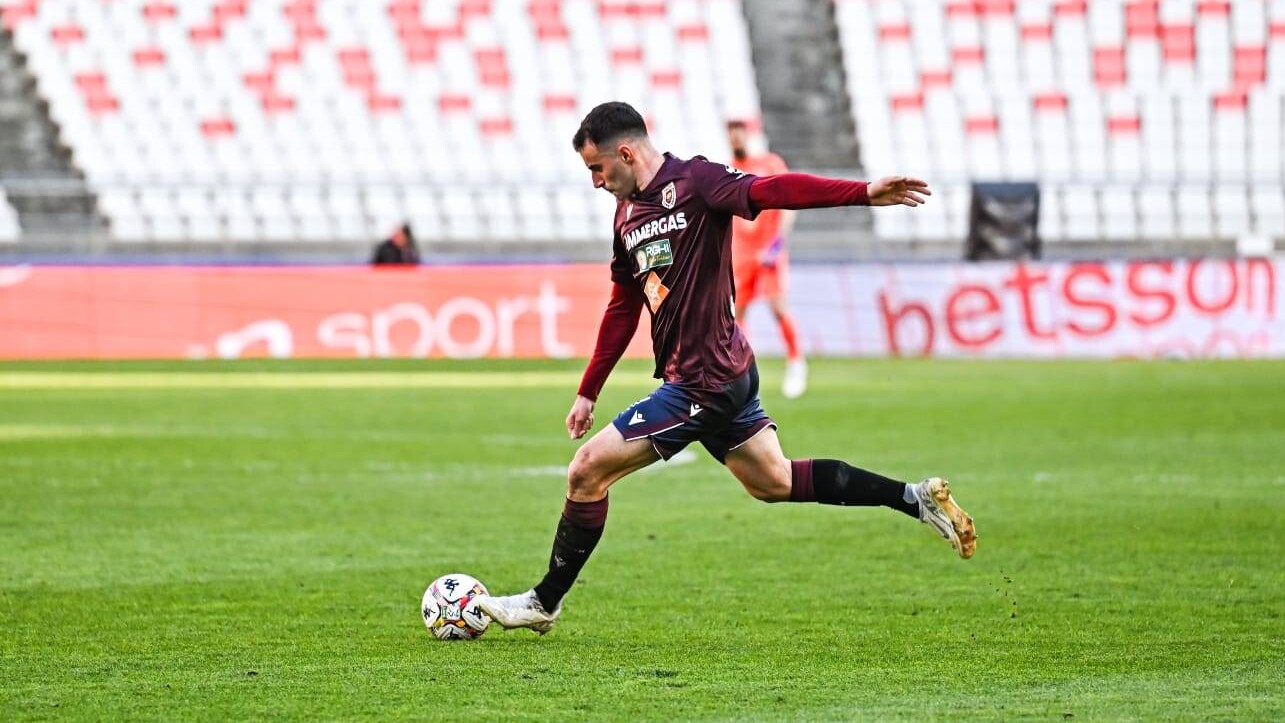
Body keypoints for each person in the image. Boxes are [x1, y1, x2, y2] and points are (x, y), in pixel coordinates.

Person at [477, 102, 975, 634]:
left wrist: (864, 192)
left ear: (624, 153)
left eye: (597, 168)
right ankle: (914, 498)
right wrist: (588, 390)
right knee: (774, 481)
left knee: (586, 471)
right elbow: (623, 307)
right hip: (718, 374)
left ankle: (543, 601)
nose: (596, 181)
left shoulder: (697, 182)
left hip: (705, 381)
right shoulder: (625, 216)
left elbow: (773, 190)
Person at [726, 119, 806, 398]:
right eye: (731, 134)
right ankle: (743, 372)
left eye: (739, 133)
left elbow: (790, 203)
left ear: (749, 135)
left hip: (769, 248)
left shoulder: (770, 164)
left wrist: (778, 242)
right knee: (738, 313)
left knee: (777, 306)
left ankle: (796, 362)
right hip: (742, 252)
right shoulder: (728, 169)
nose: (736, 138)